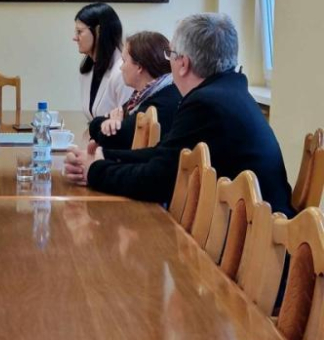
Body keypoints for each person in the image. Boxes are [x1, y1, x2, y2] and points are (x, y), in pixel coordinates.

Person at [65, 13, 294, 217]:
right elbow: (166, 154)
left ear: (183, 63)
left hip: (256, 241)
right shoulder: (227, 92)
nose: (169, 61)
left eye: (171, 54)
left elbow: (157, 180)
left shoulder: (206, 103)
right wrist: (104, 155)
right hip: (257, 227)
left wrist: (94, 170)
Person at [88, 31, 181, 150]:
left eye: (124, 61)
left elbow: (113, 138)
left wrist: (113, 124)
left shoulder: (162, 101)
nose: (121, 68)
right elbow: (97, 125)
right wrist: (111, 124)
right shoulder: (141, 95)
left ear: (139, 67)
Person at [74, 3, 134, 120]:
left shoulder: (122, 71)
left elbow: (126, 123)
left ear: (98, 31)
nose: (75, 37)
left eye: (79, 32)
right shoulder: (89, 68)